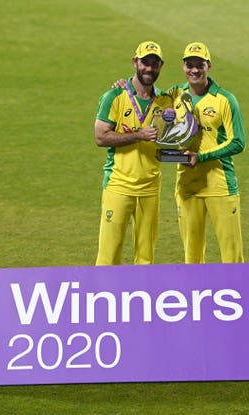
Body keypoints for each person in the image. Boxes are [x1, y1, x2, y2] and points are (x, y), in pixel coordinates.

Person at [94, 41, 173, 265]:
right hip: (119, 185)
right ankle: (104, 298)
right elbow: (100, 137)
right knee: (109, 256)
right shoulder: (114, 96)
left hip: (150, 187)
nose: (149, 68)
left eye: (154, 64)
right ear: (135, 62)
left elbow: (184, 124)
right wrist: (138, 135)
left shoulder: (166, 101)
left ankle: (141, 298)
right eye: (145, 62)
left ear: (161, 66)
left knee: (146, 258)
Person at [168, 42, 246, 263]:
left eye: (199, 64)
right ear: (183, 66)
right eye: (189, 64)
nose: (194, 70)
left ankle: (239, 296)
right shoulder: (174, 95)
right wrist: (124, 86)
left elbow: (238, 142)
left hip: (220, 187)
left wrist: (202, 157)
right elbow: (148, 103)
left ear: (208, 65)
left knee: (232, 257)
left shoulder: (225, 99)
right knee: (191, 259)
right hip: (187, 186)